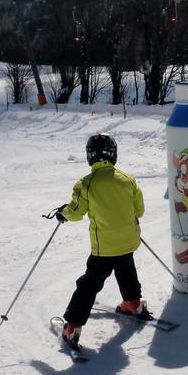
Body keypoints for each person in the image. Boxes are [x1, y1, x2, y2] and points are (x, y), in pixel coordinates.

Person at [55, 133, 148, 348]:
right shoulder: (127, 179)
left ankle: (72, 326)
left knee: (90, 283)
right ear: (113, 154)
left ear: (90, 156)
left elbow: (76, 212)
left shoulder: (86, 184)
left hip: (104, 248)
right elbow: (139, 210)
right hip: (128, 241)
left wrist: (63, 213)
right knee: (126, 268)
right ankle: (134, 303)